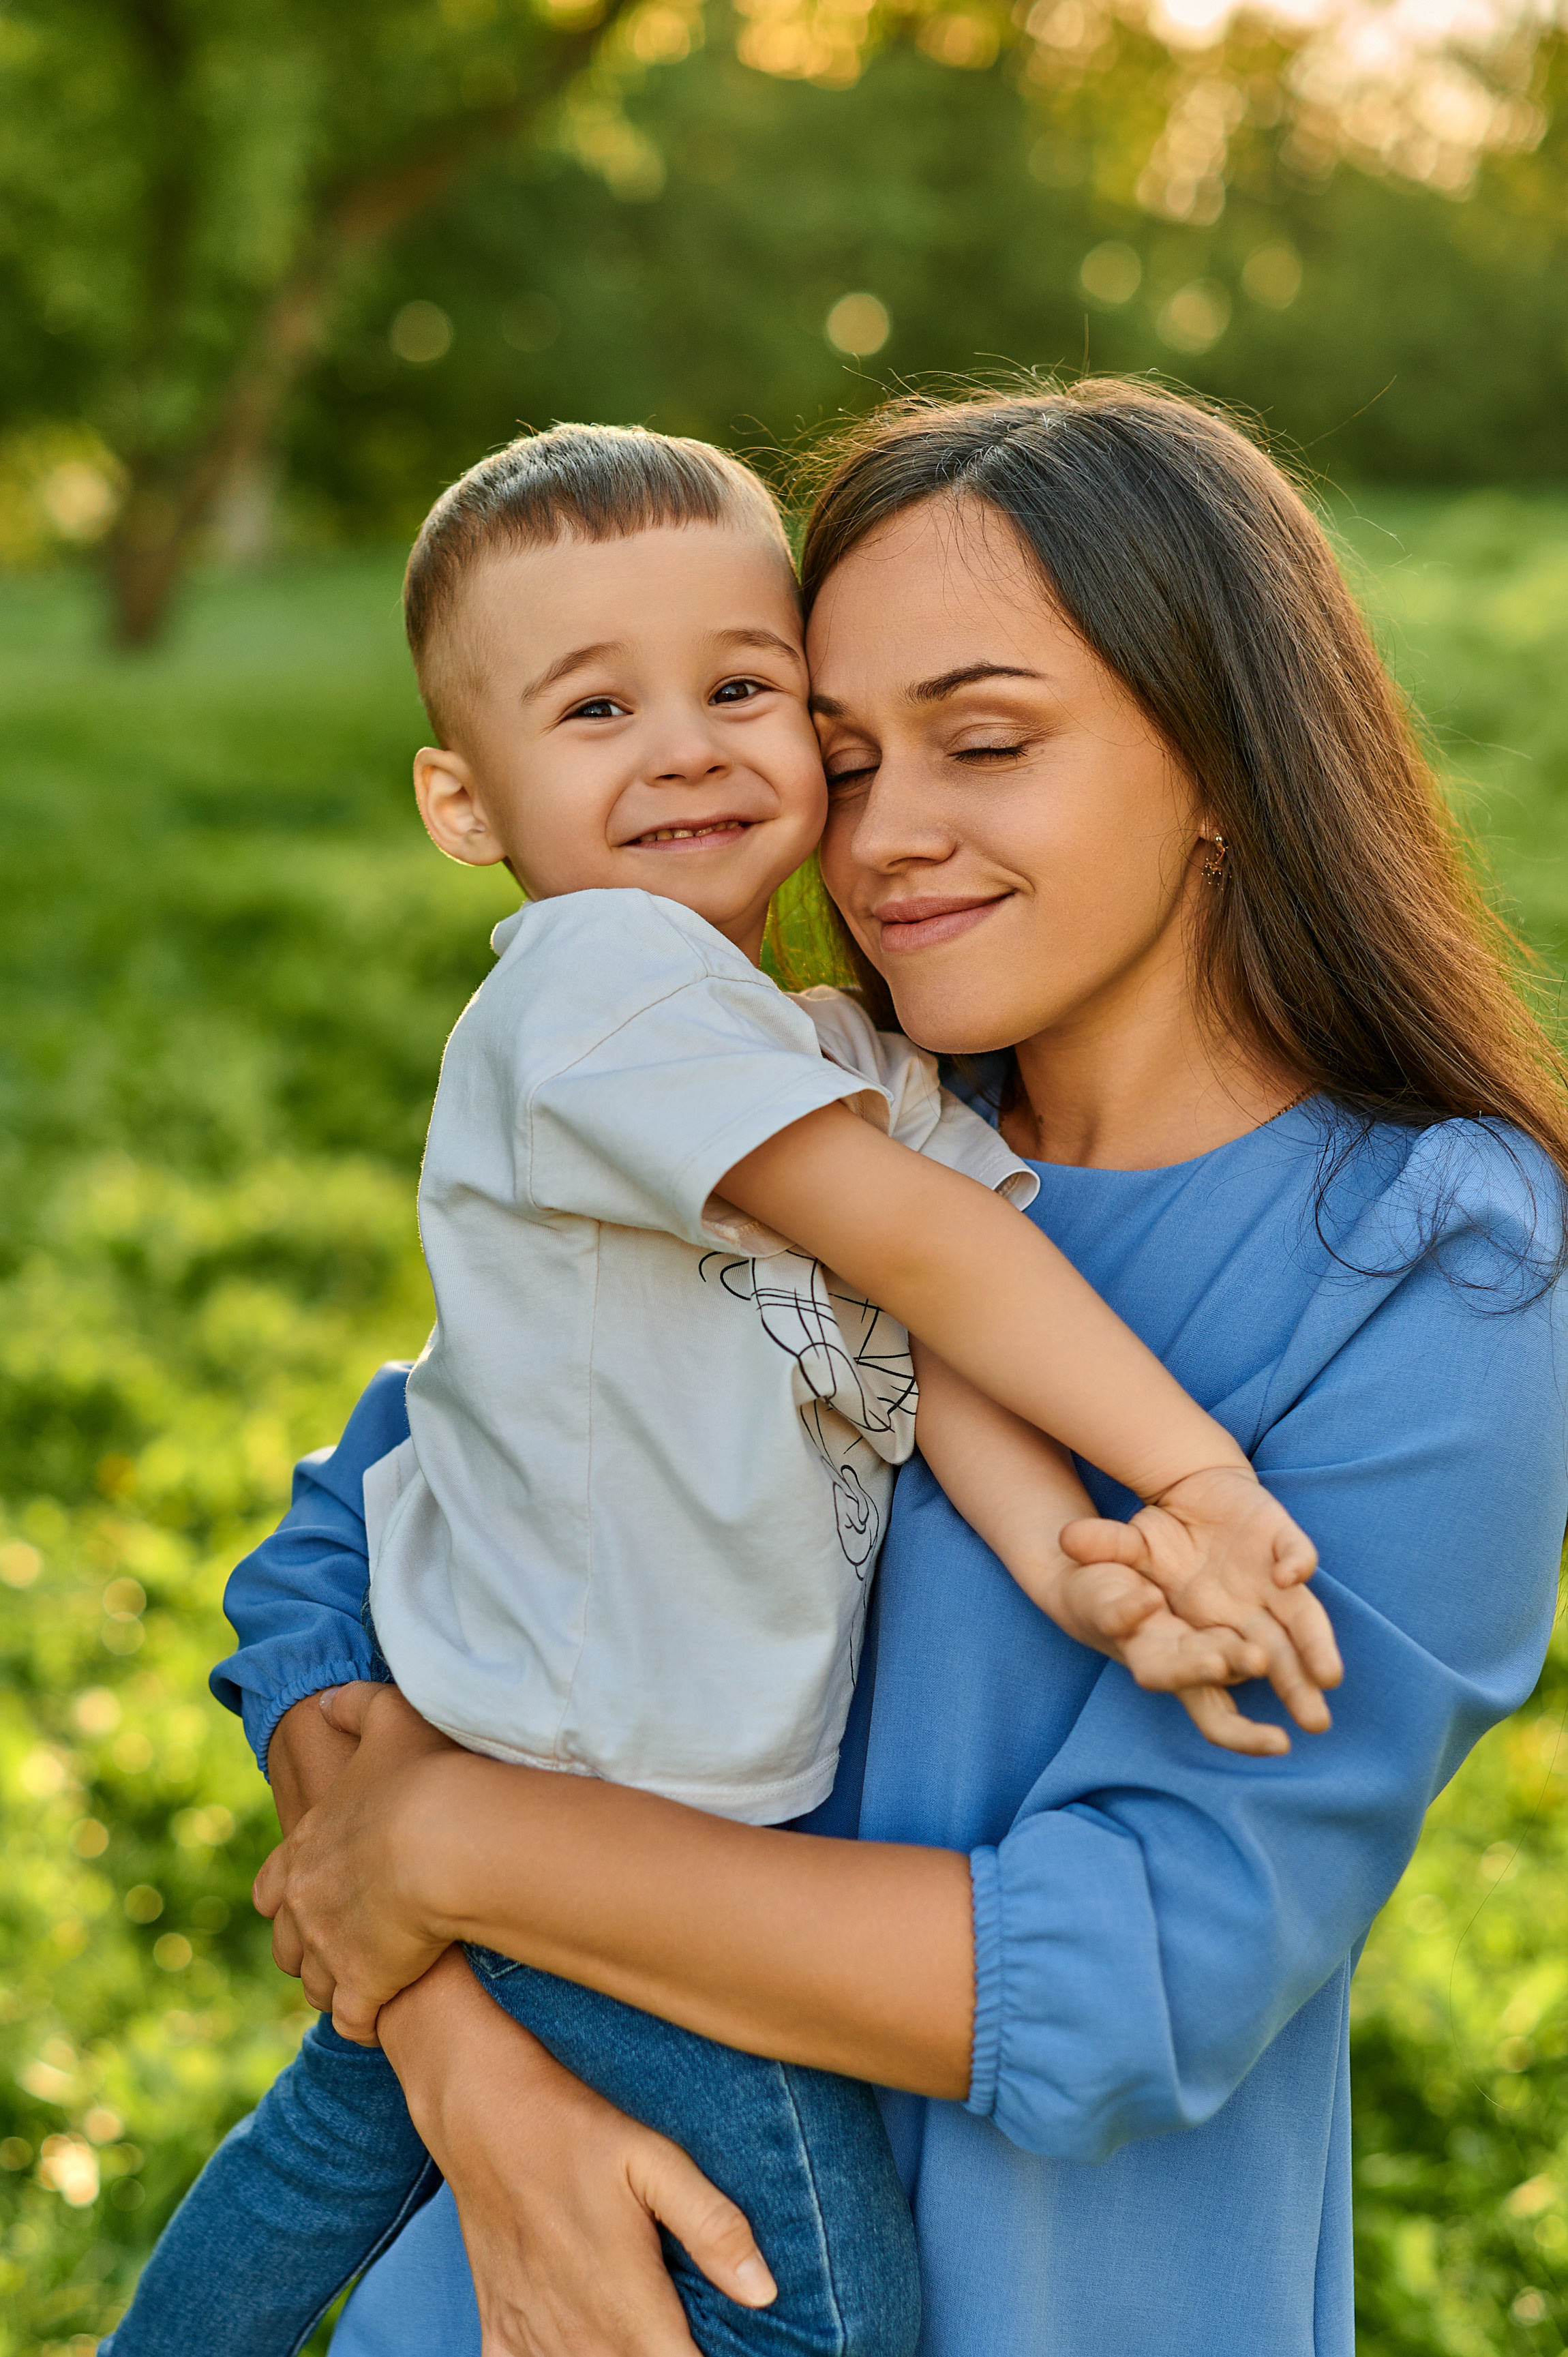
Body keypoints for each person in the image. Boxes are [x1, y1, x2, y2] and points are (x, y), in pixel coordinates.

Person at [160, 382, 1568, 2356]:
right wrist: (467, 2063)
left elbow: (1133, 1969)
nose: (883, 833)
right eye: (839, 751)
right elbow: (346, 1539)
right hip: (535, 2269)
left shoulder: (1438, 1255)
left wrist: (456, 1850)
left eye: (981, 742)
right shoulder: (806, 1114)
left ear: (1226, 765)